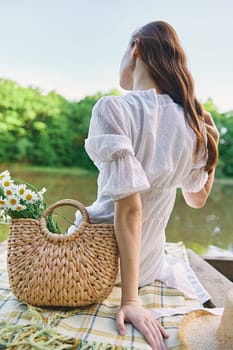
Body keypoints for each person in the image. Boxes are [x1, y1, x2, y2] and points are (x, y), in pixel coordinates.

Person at [69, 20, 219, 349]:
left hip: (95, 263)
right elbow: (196, 199)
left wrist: (130, 301)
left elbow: (130, 209)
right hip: (148, 265)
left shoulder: (113, 107)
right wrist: (211, 146)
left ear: (135, 47)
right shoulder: (192, 124)